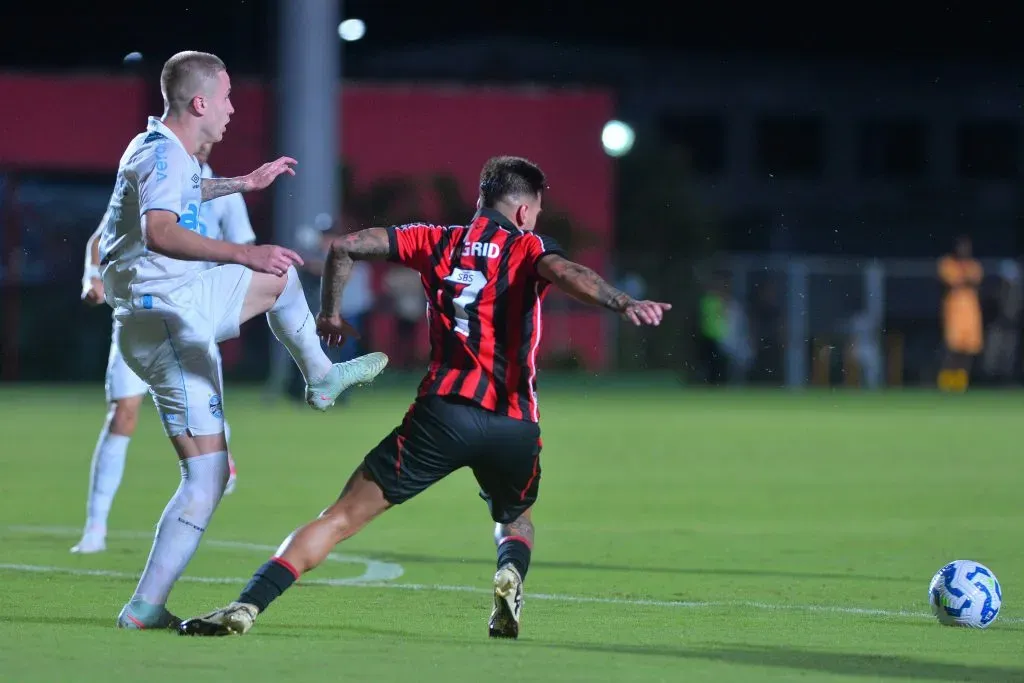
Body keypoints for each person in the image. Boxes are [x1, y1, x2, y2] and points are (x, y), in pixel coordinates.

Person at [178, 155, 671, 640]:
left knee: (340, 517)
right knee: (515, 517)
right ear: (523, 211)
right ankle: (510, 575)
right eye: (536, 211)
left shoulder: (435, 240)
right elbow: (568, 274)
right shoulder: (529, 247)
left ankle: (248, 604)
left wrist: (328, 315)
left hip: (442, 416)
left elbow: (347, 247)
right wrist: (623, 303)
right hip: (514, 425)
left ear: (482, 199)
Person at [99, 51, 389, 630]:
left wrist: (244, 182)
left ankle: (322, 377)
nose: (234, 107)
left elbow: (181, 193)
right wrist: (240, 251)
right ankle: (143, 608)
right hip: (169, 321)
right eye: (227, 96)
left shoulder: (156, 148)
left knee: (279, 279)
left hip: (168, 313)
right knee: (205, 477)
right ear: (199, 102)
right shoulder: (161, 153)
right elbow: (160, 230)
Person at [74, 142, 255, 555]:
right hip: (138, 313)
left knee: (205, 418)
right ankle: (95, 528)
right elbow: (101, 238)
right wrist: (92, 278)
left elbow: (243, 249)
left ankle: (219, 453)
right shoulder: (153, 174)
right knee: (122, 413)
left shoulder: (224, 193)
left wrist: (227, 299)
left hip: (191, 318)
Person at [937, 235, 984, 392]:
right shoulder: (947, 264)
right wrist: (964, 280)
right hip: (954, 311)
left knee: (968, 351)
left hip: (971, 312)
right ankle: (946, 382)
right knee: (952, 350)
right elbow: (952, 282)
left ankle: (960, 384)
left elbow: (974, 280)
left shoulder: (974, 266)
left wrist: (964, 280)